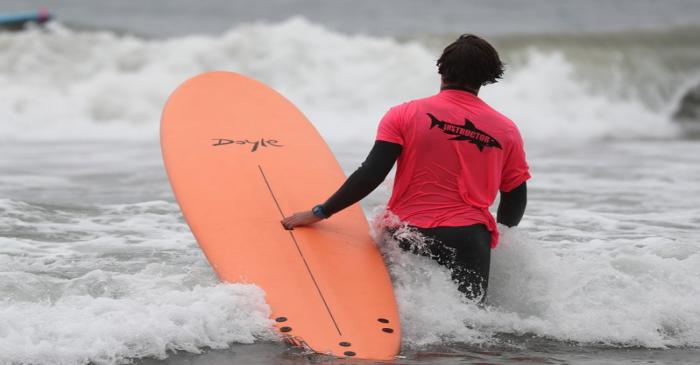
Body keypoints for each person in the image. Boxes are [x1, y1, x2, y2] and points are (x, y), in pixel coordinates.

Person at [282, 34, 530, 302]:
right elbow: (515, 196)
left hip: (409, 232)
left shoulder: (405, 114)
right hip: (469, 237)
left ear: (442, 69)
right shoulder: (506, 130)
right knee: (469, 324)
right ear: (487, 76)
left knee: (394, 310)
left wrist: (321, 212)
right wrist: (502, 237)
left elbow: (371, 173)